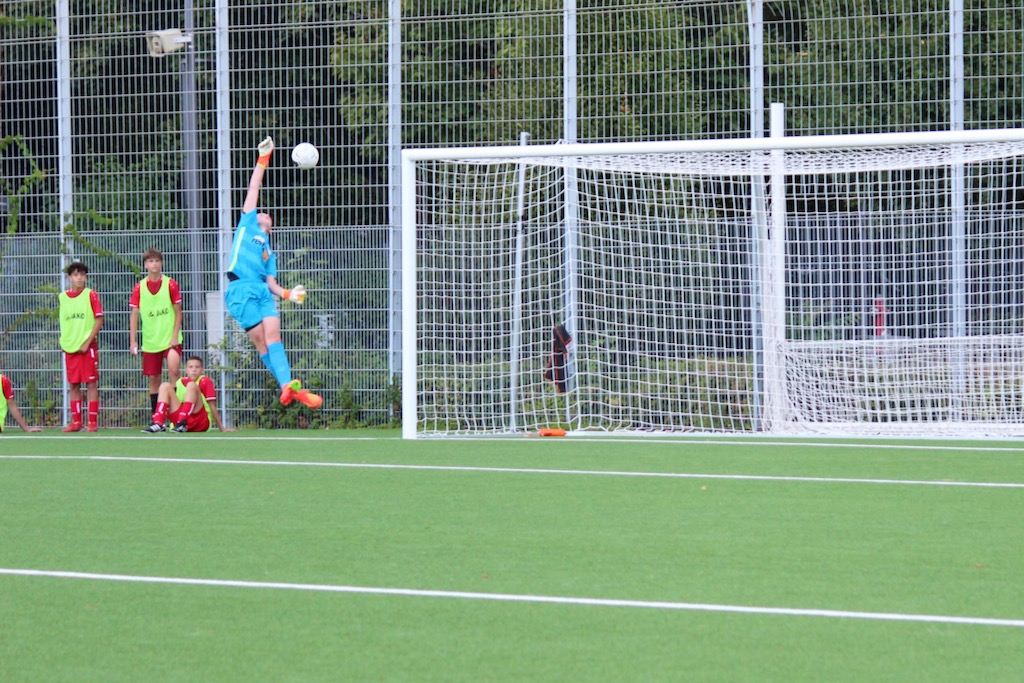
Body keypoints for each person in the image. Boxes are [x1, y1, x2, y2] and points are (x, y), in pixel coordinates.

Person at [224, 136, 322, 410]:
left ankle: (289, 387)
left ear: (271, 226)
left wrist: (289, 294)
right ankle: (286, 384)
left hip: (261, 291)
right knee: (262, 345)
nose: (262, 212)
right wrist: (263, 158)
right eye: (260, 211)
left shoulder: (269, 251)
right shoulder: (246, 224)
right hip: (240, 290)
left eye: (267, 215)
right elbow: (254, 186)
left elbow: (272, 284)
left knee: (274, 338)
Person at [129, 247, 183, 414]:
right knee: (154, 378)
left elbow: (178, 312)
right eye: (150, 261)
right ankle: (157, 417)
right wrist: (133, 341)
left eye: (157, 260)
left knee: (174, 371)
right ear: (145, 265)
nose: (154, 264)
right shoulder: (139, 287)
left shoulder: (170, 284)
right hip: (151, 340)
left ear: (161, 263)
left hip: (170, 339)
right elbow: (134, 314)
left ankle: (177, 415)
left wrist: (175, 336)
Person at [58, 261, 104, 432]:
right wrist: (65, 341)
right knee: (74, 384)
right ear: (70, 278)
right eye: (76, 275)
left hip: (87, 347)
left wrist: (87, 342)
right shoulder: (63, 297)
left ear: (86, 277)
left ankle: (92, 422)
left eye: (82, 275)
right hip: (71, 348)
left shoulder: (91, 295)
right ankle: (76, 422)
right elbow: (64, 322)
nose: (79, 278)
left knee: (91, 383)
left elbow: (99, 319)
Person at [141, 355, 233, 433]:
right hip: (181, 420)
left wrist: (222, 427)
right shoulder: (180, 382)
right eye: (191, 367)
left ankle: (182, 422)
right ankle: (159, 422)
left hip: (200, 420)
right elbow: (174, 403)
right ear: (186, 370)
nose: (194, 370)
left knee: (191, 385)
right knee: (165, 386)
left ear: (202, 370)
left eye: (197, 367)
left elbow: (212, 405)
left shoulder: (205, 381)